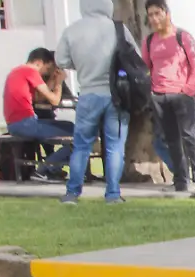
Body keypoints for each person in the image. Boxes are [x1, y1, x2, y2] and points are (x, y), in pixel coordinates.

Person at [55, 0, 138, 205]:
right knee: (115, 147)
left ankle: (72, 193)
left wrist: (81, 65)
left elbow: (61, 60)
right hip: (117, 95)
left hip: (88, 95)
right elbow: (135, 56)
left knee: (82, 146)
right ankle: (112, 194)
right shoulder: (118, 28)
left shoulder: (72, 30)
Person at [144, 0, 195, 199]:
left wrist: (188, 91)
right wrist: (151, 92)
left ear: (166, 13)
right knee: (171, 140)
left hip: (182, 96)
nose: (154, 18)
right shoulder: (149, 41)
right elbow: (146, 68)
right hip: (159, 96)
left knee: (190, 138)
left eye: (157, 13)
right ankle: (180, 182)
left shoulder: (182, 37)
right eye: (150, 15)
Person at [2, 48, 75, 182]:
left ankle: (52, 169)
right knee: (81, 136)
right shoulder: (30, 71)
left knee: (71, 127)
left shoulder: (16, 71)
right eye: (48, 68)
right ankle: (44, 170)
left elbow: (39, 99)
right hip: (26, 124)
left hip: (17, 123)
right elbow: (54, 100)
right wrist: (58, 82)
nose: (47, 72)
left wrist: (53, 80)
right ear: (39, 62)